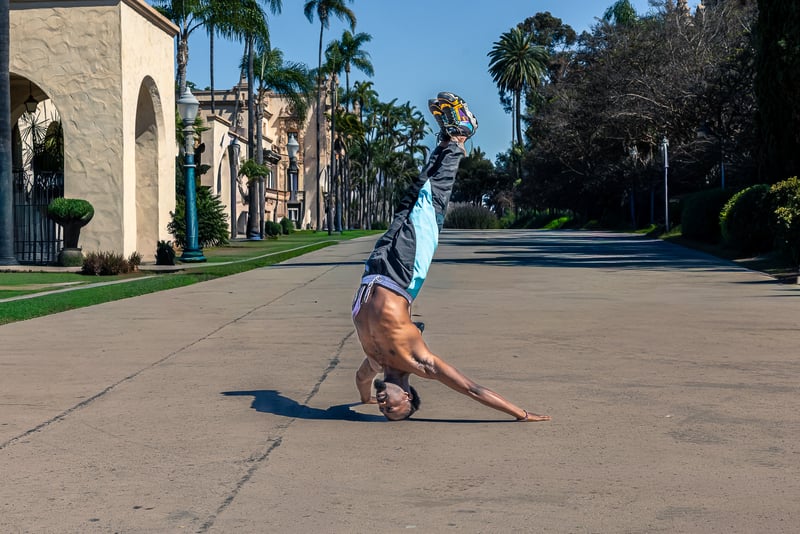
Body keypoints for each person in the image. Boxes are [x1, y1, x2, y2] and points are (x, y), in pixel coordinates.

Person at [351, 92, 551, 423]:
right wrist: (521, 413)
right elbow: (472, 389)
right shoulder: (420, 362)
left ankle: (444, 140)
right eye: (394, 407)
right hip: (403, 272)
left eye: (385, 409)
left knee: (411, 197)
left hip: (375, 268)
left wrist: (365, 399)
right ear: (410, 396)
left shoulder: (374, 362)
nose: (386, 405)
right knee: (431, 200)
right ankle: (460, 135)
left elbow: (360, 380)